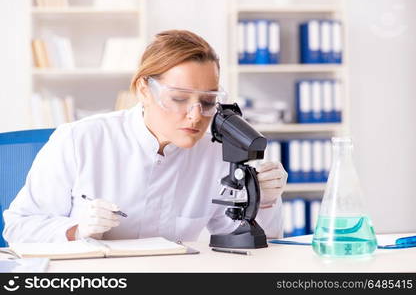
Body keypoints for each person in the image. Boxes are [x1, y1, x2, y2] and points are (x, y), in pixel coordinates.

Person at [3, 30, 287, 243]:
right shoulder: (81, 140)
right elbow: (18, 228)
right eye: (178, 98)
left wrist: (261, 201)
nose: (195, 115)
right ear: (143, 90)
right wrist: (76, 229)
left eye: (208, 101)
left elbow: (242, 241)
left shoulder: (216, 151)